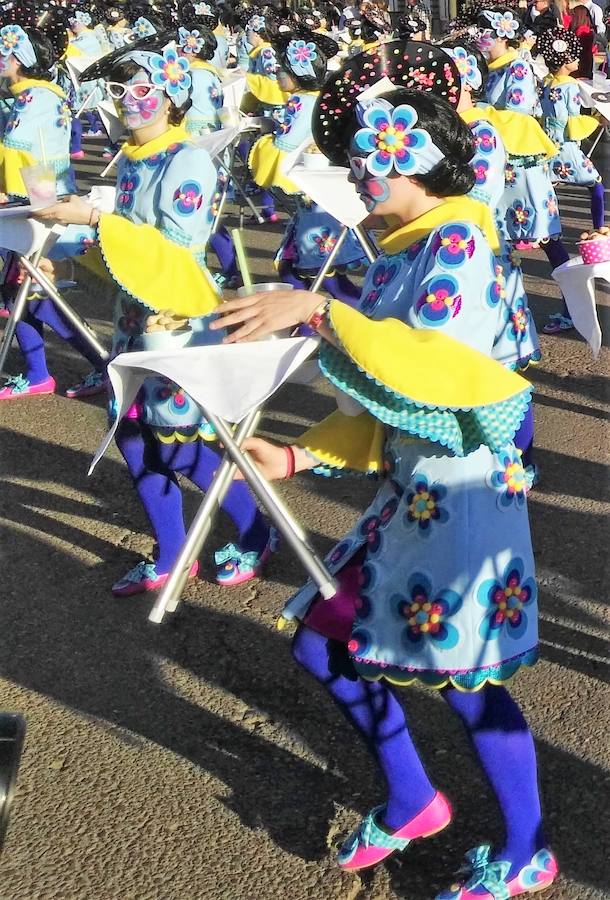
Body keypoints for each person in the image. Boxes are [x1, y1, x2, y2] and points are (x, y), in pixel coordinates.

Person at [209, 50, 557, 899]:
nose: (354, 170)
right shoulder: (403, 253)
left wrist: (322, 309)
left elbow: (431, 367)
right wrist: (297, 454)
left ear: (403, 153)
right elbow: (387, 401)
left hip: (465, 501)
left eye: (363, 154)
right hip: (411, 498)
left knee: (469, 686)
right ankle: (413, 799)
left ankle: (529, 850)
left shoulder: (459, 241)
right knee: (325, 648)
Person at [33, 35, 275, 594]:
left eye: (141, 88)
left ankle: (257, 530)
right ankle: (172, 552)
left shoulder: (187, 159)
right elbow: (122, 249)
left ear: (172, 96)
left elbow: (173, 248)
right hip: (135, 316)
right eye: (119, 88)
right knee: (133, 435)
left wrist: (94, 219)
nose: (126, 100)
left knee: (182, 445)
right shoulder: (137, 160)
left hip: (177, 320)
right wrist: (53, 232)